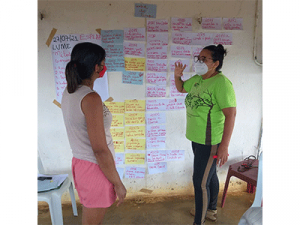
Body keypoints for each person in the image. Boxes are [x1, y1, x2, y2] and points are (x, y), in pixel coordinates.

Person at [61, 42, 126, 225]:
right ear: (97, 67)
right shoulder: (90, 98)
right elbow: (99, 150)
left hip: (84, 165)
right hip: (95, 168)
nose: (104, 67)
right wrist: (118, 183)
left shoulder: (70, 92)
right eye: (103, 63)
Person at [174, 44, 236, 225]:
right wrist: (177, 76)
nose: (199, 61)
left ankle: (199, 221)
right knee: (210, 175)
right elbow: (181, 89)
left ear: (215, 63)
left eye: (204, 59)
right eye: (198, 58)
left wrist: (224, 146)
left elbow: (231, 115)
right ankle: (211, 210)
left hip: (210, 142)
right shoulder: (198, 79)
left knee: (200, 182)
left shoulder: (221, 84)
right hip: (197, 138)